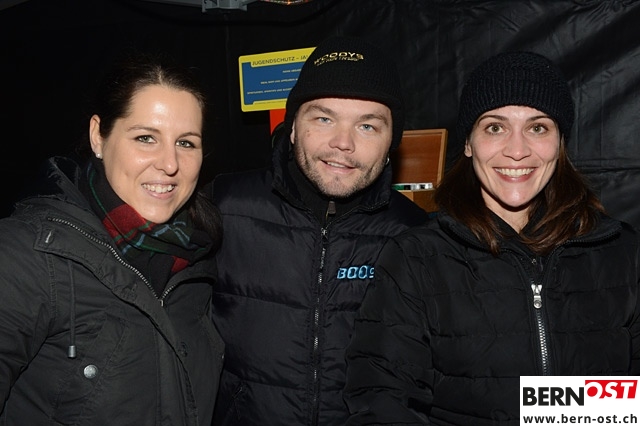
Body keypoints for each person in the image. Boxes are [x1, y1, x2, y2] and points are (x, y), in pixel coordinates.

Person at [343, 51, 640, 425]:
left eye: (538, 128)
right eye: (495, 127)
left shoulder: (620, 253)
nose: (517, 151)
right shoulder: (417, 259)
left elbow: (627, 404)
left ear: (560, 143)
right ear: (468, 143)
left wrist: (564, 410)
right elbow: (381, 400)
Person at [203, 35, 429, 426]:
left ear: (391, 142)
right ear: (292, 127)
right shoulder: (222, 208)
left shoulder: (418, 238)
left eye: (368, 126)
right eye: (323, 119)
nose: (343, 143)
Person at [0, 52, 225, 425]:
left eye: (186, 143)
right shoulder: (26, 254)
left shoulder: (196, 260)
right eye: (145, 138)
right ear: (98, 136)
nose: (170, 164)